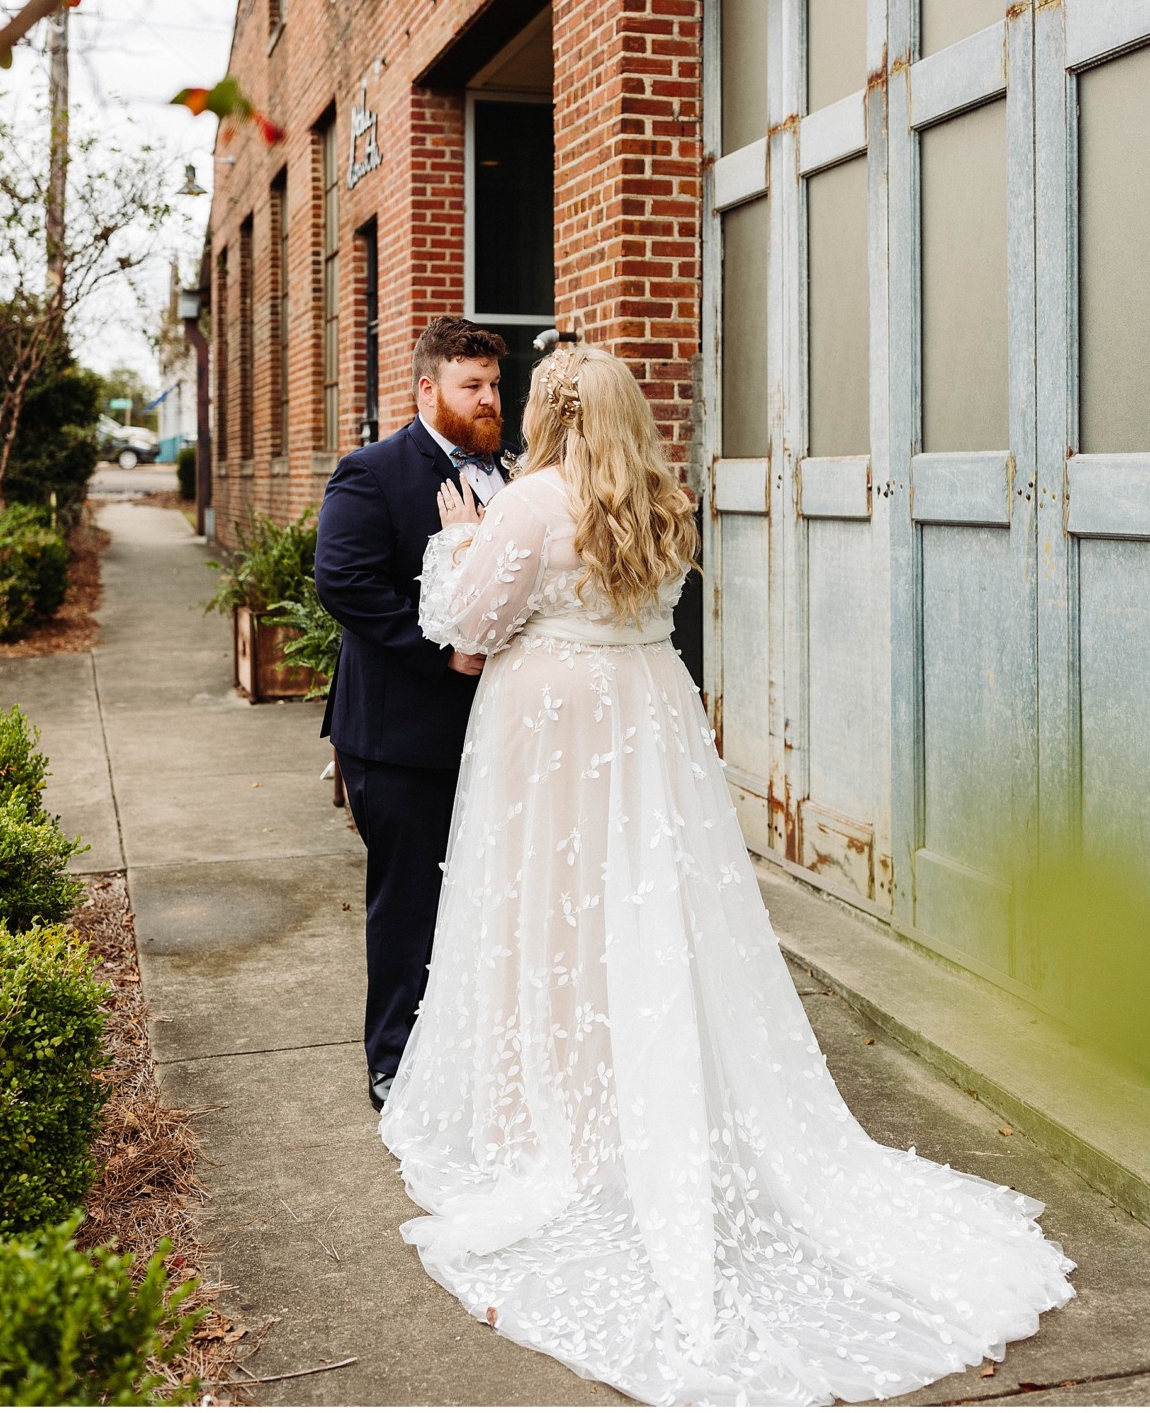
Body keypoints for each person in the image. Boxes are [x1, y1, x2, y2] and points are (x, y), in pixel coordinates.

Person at [379, 344, 1074, 1407]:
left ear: (549, 413)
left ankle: (562, 1117)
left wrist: (458, 540)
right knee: (651, 909)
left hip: (556, 719)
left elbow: (467, 625)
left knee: (557, 917)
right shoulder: (664, 498)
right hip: (648, 711)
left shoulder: (528, 500)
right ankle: (643, 1088)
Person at [314, 316, 511, 1113]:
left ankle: (466, 1051)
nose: (492, 398)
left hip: (491, 729)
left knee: (482, 895)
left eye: (496, 384)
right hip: (397, 738)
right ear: (428, 389)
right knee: (408, 905)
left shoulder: (514, 472)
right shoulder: (372, 472)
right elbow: (346, 584)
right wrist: (444, 652)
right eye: (474, 385)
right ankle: (392, 1061)